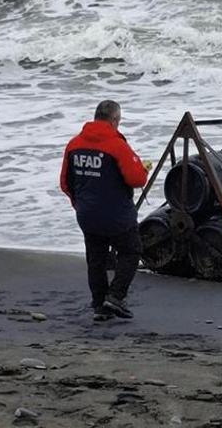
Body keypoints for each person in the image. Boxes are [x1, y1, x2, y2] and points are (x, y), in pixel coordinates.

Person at [60, 100, 151, 321]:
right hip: (116, 215)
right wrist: (143, 168)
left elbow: (65, 183)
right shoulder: (117, 145)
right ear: (114, 120)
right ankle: (115, 297)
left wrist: (79, 204)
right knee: (131, 251)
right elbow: (136, 178)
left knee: (96, 259)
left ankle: (100, 305)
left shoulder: (74, 145)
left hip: (88, 214)